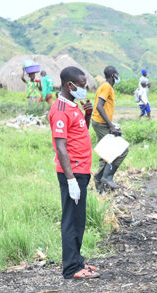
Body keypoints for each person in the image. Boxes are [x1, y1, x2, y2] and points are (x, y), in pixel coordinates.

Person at [49, 66, 99, 279]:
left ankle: (78, 261)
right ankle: (71, 268)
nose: (84, 89)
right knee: (71, 220)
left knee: (78, 220)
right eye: (81, 85)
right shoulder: (60, 109)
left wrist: (87, 114)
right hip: (73, 172)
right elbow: (61, 146)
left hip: (81, 170)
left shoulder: (73, 105)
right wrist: (70, 180)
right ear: (69, 85)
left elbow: (80, 133)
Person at [92, 65, 128, 192]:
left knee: (105, 154)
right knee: (120, 150)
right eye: (117, 74)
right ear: (114, 75)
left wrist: (111, 124)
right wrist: (111, 126)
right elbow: (99, 107)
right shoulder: (106, 87)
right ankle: (106, 178)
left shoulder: (106, 87)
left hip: (102, 123)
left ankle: (100, 185)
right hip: (101, 123)